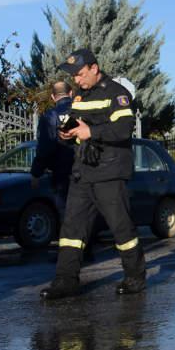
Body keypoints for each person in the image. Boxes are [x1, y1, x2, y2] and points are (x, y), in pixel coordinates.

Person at [40, 49, 146, 300]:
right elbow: (77, 126)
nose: (76, 80)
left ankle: (135, 277)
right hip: (82, 173)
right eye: (74, 77)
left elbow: (123, 129)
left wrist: (92, 132)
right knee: (72, 230)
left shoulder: (117, 94)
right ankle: (65, 281)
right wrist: (67, 134)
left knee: (121, 228)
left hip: (109, 172)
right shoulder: (79, 96)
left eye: (79, 74)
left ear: (94, 68)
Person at [30, 81, 76, 212]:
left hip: (61, 174)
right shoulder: (81, 112)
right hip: (85, 171)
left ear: (53, 97)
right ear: (71, 93)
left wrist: (35, 173)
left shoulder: (50, 116)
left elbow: (45, 147)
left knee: (65, 215)